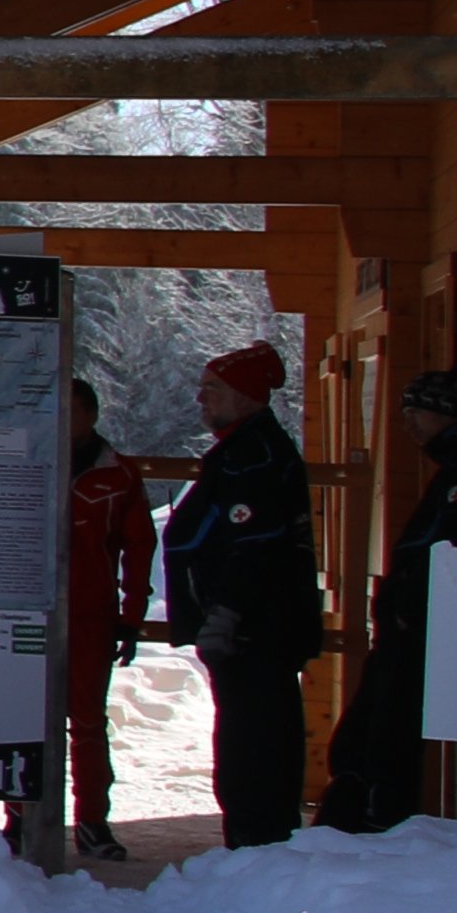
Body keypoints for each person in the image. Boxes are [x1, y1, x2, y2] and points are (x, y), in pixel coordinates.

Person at [158, 339, 325, 851]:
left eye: (213, 388)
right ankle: (253, 837)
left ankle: (258, 842)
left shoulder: (254, 456)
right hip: (250, 629)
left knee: (256, 742)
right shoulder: (243, 448)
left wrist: (227, 614)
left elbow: (254, 545)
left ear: (247, 395)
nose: (200, 398)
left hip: (256, 631)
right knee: (246, 737)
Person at [316, 367, 457, 834]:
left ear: (446, 413)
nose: (409, 424)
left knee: (390, 731)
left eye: (417, 412)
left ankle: (379, 818)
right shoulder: (451, 468)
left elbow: (443, 551)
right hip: (412, 627)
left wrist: (408, 608)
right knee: (372, 728)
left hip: (422, 631)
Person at [59, 377, 151, 873]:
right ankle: (23, 816)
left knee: (88, 723)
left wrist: (131, 615)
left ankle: (93, 821)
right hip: (29, 614)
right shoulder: (24, 459)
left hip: (91, 616)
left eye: (72, 410)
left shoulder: (117, 475)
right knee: (27, 719)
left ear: (91, 415)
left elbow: (140, 547)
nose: (63, 418)